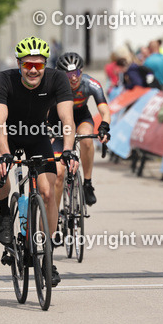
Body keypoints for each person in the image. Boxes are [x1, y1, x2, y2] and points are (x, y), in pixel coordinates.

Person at [0, 36, 76, 288]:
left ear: (45, 64)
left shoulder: (57, 79)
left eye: (39, 65)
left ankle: (46, 254)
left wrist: (68, 150)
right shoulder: (2, 80)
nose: (34, 70)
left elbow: (67, 119)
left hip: (38, 137)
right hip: (8, 137)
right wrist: (5, 153)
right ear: (19, 64)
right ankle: (4, 213)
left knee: (49, 192)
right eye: (28, 65)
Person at [50, 52, 111, 211]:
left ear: (81, 71)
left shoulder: (91, 83)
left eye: (76, 73)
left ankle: (88, 183)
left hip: (81, 117)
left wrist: (104, 126)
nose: (73, 78)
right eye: (68, 74)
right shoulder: (52, 85)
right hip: (58, 122)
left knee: (86, 139)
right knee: (58, 171)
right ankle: (53, 216)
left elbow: (105, 110)